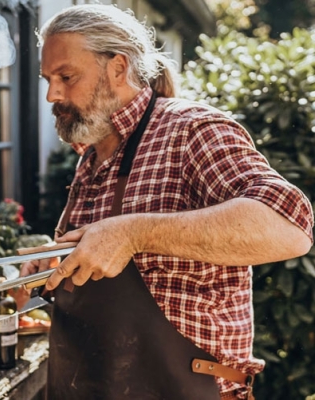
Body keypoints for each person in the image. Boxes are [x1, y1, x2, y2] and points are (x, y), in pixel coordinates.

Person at [20, 4, 314, 400]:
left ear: (118, 68)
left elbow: (288, 228)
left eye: (66, 77)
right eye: (48, 79)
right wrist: (58, 264)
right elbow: (117, 262)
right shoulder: (93, 155)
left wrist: (133, 233)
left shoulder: (191, 130)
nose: (52, 94)